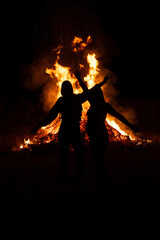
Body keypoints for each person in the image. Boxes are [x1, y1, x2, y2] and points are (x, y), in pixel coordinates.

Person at [75, 71, 138, 192]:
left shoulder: (99, 105)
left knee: (97, 160)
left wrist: (79, 78)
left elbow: (119, 116)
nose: (91, 94)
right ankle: (103, 181)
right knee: (98, 160)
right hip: (99, 136)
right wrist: (103, 82)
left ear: (96, 96)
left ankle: (105, 181)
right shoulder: (103, 105)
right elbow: (89, 89)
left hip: (99, 136)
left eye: (93, 94)